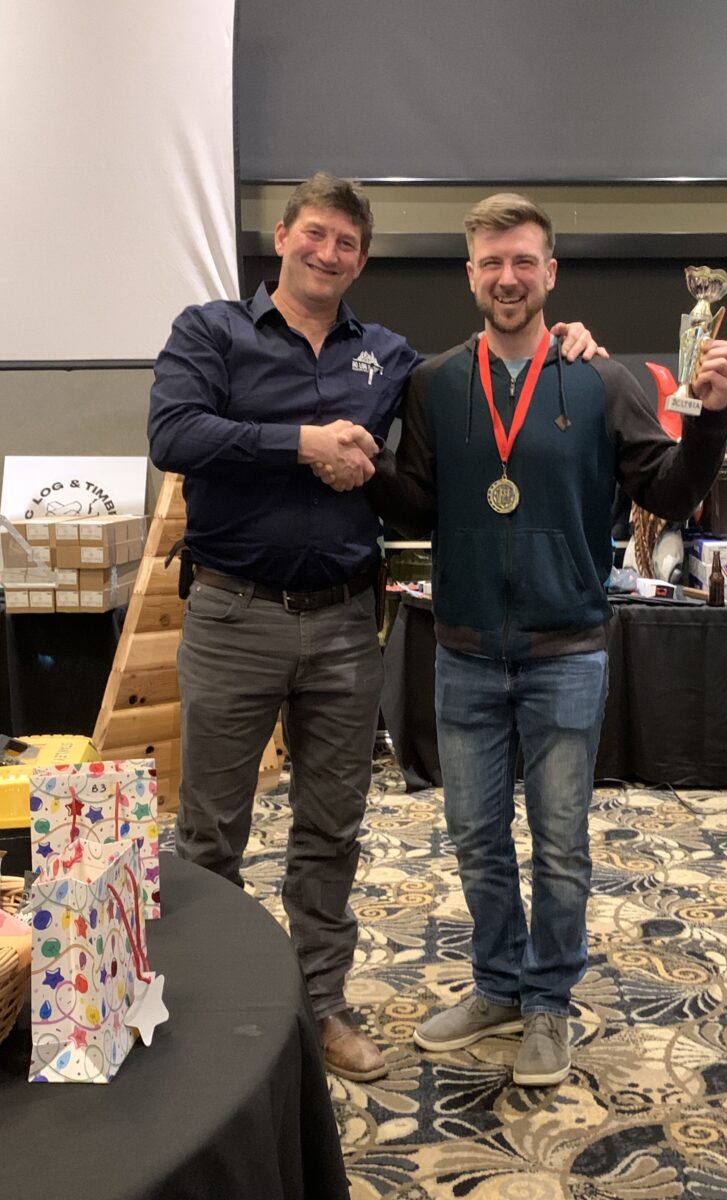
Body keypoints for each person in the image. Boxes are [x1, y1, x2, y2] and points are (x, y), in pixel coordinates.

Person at [147, 173, 599, 1082]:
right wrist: (300, 443)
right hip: (234, 615)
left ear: (362, 259)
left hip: (348, 623)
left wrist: (567, 345)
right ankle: (202, 1012)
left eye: (347, 243)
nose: (328, 253)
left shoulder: (389, 358)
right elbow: (175, 435)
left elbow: (486, 378)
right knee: (209, 835)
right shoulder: (212, 332)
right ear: (282, 237)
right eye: (315, 234)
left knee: (331, 831)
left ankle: (321, 1006)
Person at [361, 192, 727, 1086]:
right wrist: (366, 466)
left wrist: (713, 417)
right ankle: (498, 987)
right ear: (470, 274)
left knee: (561, 844)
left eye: (524, 262)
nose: (508, 278)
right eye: (492, 263)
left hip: (566, 652)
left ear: (550, 272)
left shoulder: (599, 380)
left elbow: (668, 494)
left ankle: (549, 1005)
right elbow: (414, 506)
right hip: (463, 649)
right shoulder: (435, 382)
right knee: (475, 837)